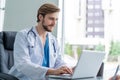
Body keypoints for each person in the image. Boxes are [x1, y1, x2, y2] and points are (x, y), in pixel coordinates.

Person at [8, 3, 73, 80]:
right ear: (40, 17)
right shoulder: (23, 35)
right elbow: (23, 64)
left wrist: (66, 68)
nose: (54, 23)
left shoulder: (53, 40)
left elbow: (58, 62)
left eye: (56, 19)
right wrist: (51, 71)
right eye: (51, 19)